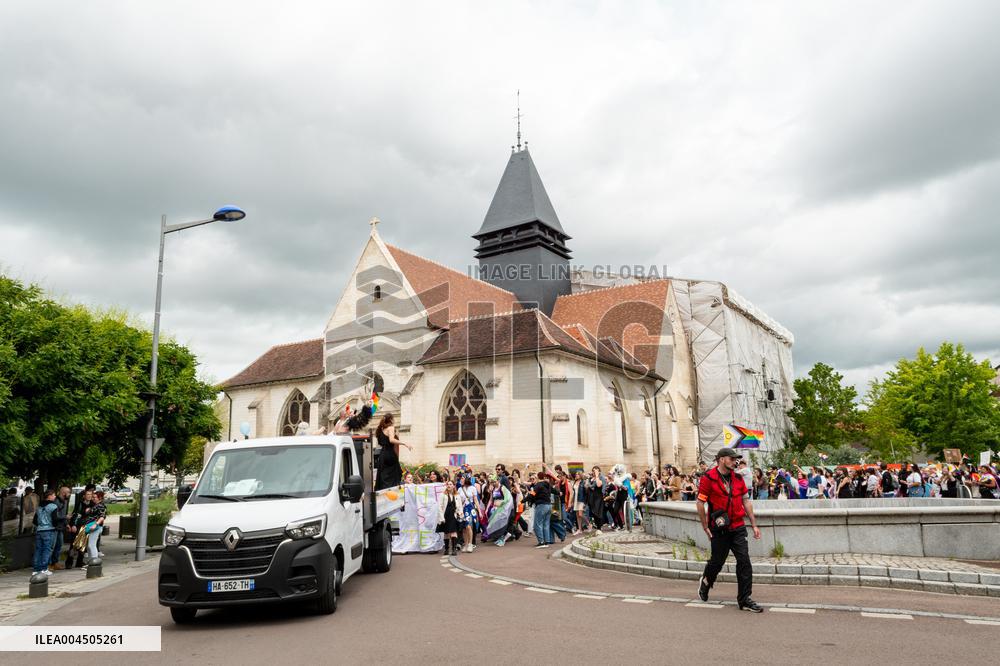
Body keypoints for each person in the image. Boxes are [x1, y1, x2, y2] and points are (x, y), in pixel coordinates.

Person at [696, 448, 763, 613]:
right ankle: (706, 582)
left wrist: (754, 524)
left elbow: (746, 502)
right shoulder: (708, 478)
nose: (735, 462)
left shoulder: (738, 478)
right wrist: (705, 526)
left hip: (738, 526)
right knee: (717, 562)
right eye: (732, 459)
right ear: (721, 459)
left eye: (736, 459)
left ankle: (744, 599)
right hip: (719, 528)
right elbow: (700, 503)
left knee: (744, 562)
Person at [374, 413, 412, 490]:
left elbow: (381, 443)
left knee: (384, 476)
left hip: (382, 455)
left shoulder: (381, 430)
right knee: (394, 474)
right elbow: (391, 440)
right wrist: (404, 443)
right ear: (391, 419)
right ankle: (392, 493)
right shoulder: (390, 428)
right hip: (389, 453)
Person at [32, 489, 64, 578]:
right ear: (49, 496)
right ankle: (44, 568)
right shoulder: (53, 506)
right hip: (49, 530)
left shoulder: (39, 507)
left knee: (38, 549)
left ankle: (36, 569)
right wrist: (63, 519)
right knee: (47, 549)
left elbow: (34, 521)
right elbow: (54, 520)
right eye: (53, 495)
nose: (54, 497)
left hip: (39, 530)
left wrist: (41, 524)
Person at [49, 485, 71, 570]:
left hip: (60, 527)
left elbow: (63, 514)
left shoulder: (64, 501)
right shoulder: (56, 502)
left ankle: (55, 562)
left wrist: (66, 524)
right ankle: (49, 563)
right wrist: (66, 517)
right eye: (68, 492)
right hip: (54, 527)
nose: (69, 494)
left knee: (59, 545)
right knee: (51, 546)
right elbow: (56, 516)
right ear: (64, 493)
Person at [437, 481, 461, 556]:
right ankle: (447, 549)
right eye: (448, 484)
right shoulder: (443, 495)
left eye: (451, 484)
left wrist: (460, 513)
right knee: (446, 533)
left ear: (454, 486)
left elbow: (460, 506)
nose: (449, 485)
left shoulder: (457, 495)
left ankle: (454, 549)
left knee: (454, 532)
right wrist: (441, 517)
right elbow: (439, 507)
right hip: (445, 516)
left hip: (454, 516)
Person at [529, 471, 552, 548]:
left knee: (537, 524)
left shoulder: (538, 485)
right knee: (546, 524)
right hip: (549, 505)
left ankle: (541, 542)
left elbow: (532, 495)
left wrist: (522, 501)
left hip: (541, 505)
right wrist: (559, 493)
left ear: (538, 477)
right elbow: (553, 491)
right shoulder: (547, 484)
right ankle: (547, 541)